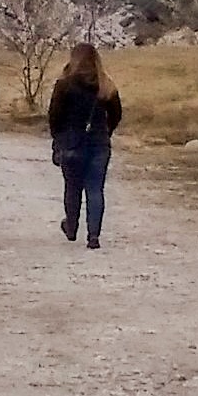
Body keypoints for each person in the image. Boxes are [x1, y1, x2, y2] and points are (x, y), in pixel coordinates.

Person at [46, 41, 123, 248]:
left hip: (72, 143)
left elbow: (54, 116)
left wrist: (58, 140)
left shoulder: (64, 84)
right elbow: (116, 114)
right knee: (95, 189)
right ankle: (94, 235)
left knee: (72, 187)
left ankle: (71, 226)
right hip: (99, 143)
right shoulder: (106, 85)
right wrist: (106, 131)